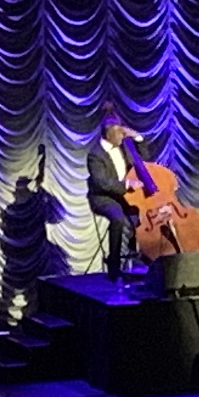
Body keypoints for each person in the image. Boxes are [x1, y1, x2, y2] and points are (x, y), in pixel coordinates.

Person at [86, 112, 153, 283]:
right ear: (108, 134)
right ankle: (114, 264)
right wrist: (127, 185)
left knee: (140, 216)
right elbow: (103, 183)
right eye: (119, 133)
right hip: (104, 198)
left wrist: (137, 137)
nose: (122, 136)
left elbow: (144, 162)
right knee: (118, 217)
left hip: (125, 196)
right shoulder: (95, 155)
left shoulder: (125, 147)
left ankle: (141, 256)